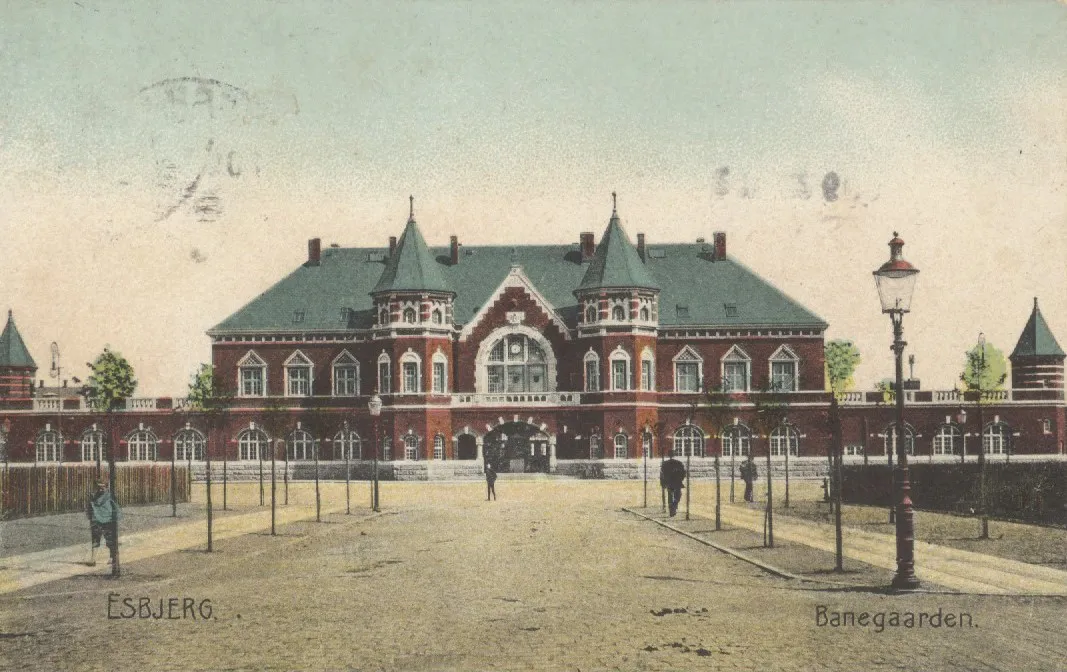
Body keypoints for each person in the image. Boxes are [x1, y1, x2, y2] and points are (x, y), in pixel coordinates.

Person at [86, 480, 120, 567]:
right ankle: (93, 559)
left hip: (105, 521)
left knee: (108, 541)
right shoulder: (106, 496)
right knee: (98, 540)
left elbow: (115, 508)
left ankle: (111, 558)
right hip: (100, 520)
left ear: (106, 487)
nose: (100, 490)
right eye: (99, 488)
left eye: (102, 488)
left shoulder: (104, 497)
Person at [659, 450, 686, 517]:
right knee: (678, 495)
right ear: (674, 455)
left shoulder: (664, 463)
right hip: (677, 482)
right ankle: (674, 505)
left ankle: (671, 510)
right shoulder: (679, 463)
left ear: (668, 455)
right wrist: (680, 479)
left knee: (670, 496)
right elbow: (683, 473)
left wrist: (663, 483)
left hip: (669, 482)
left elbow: (662, 475)